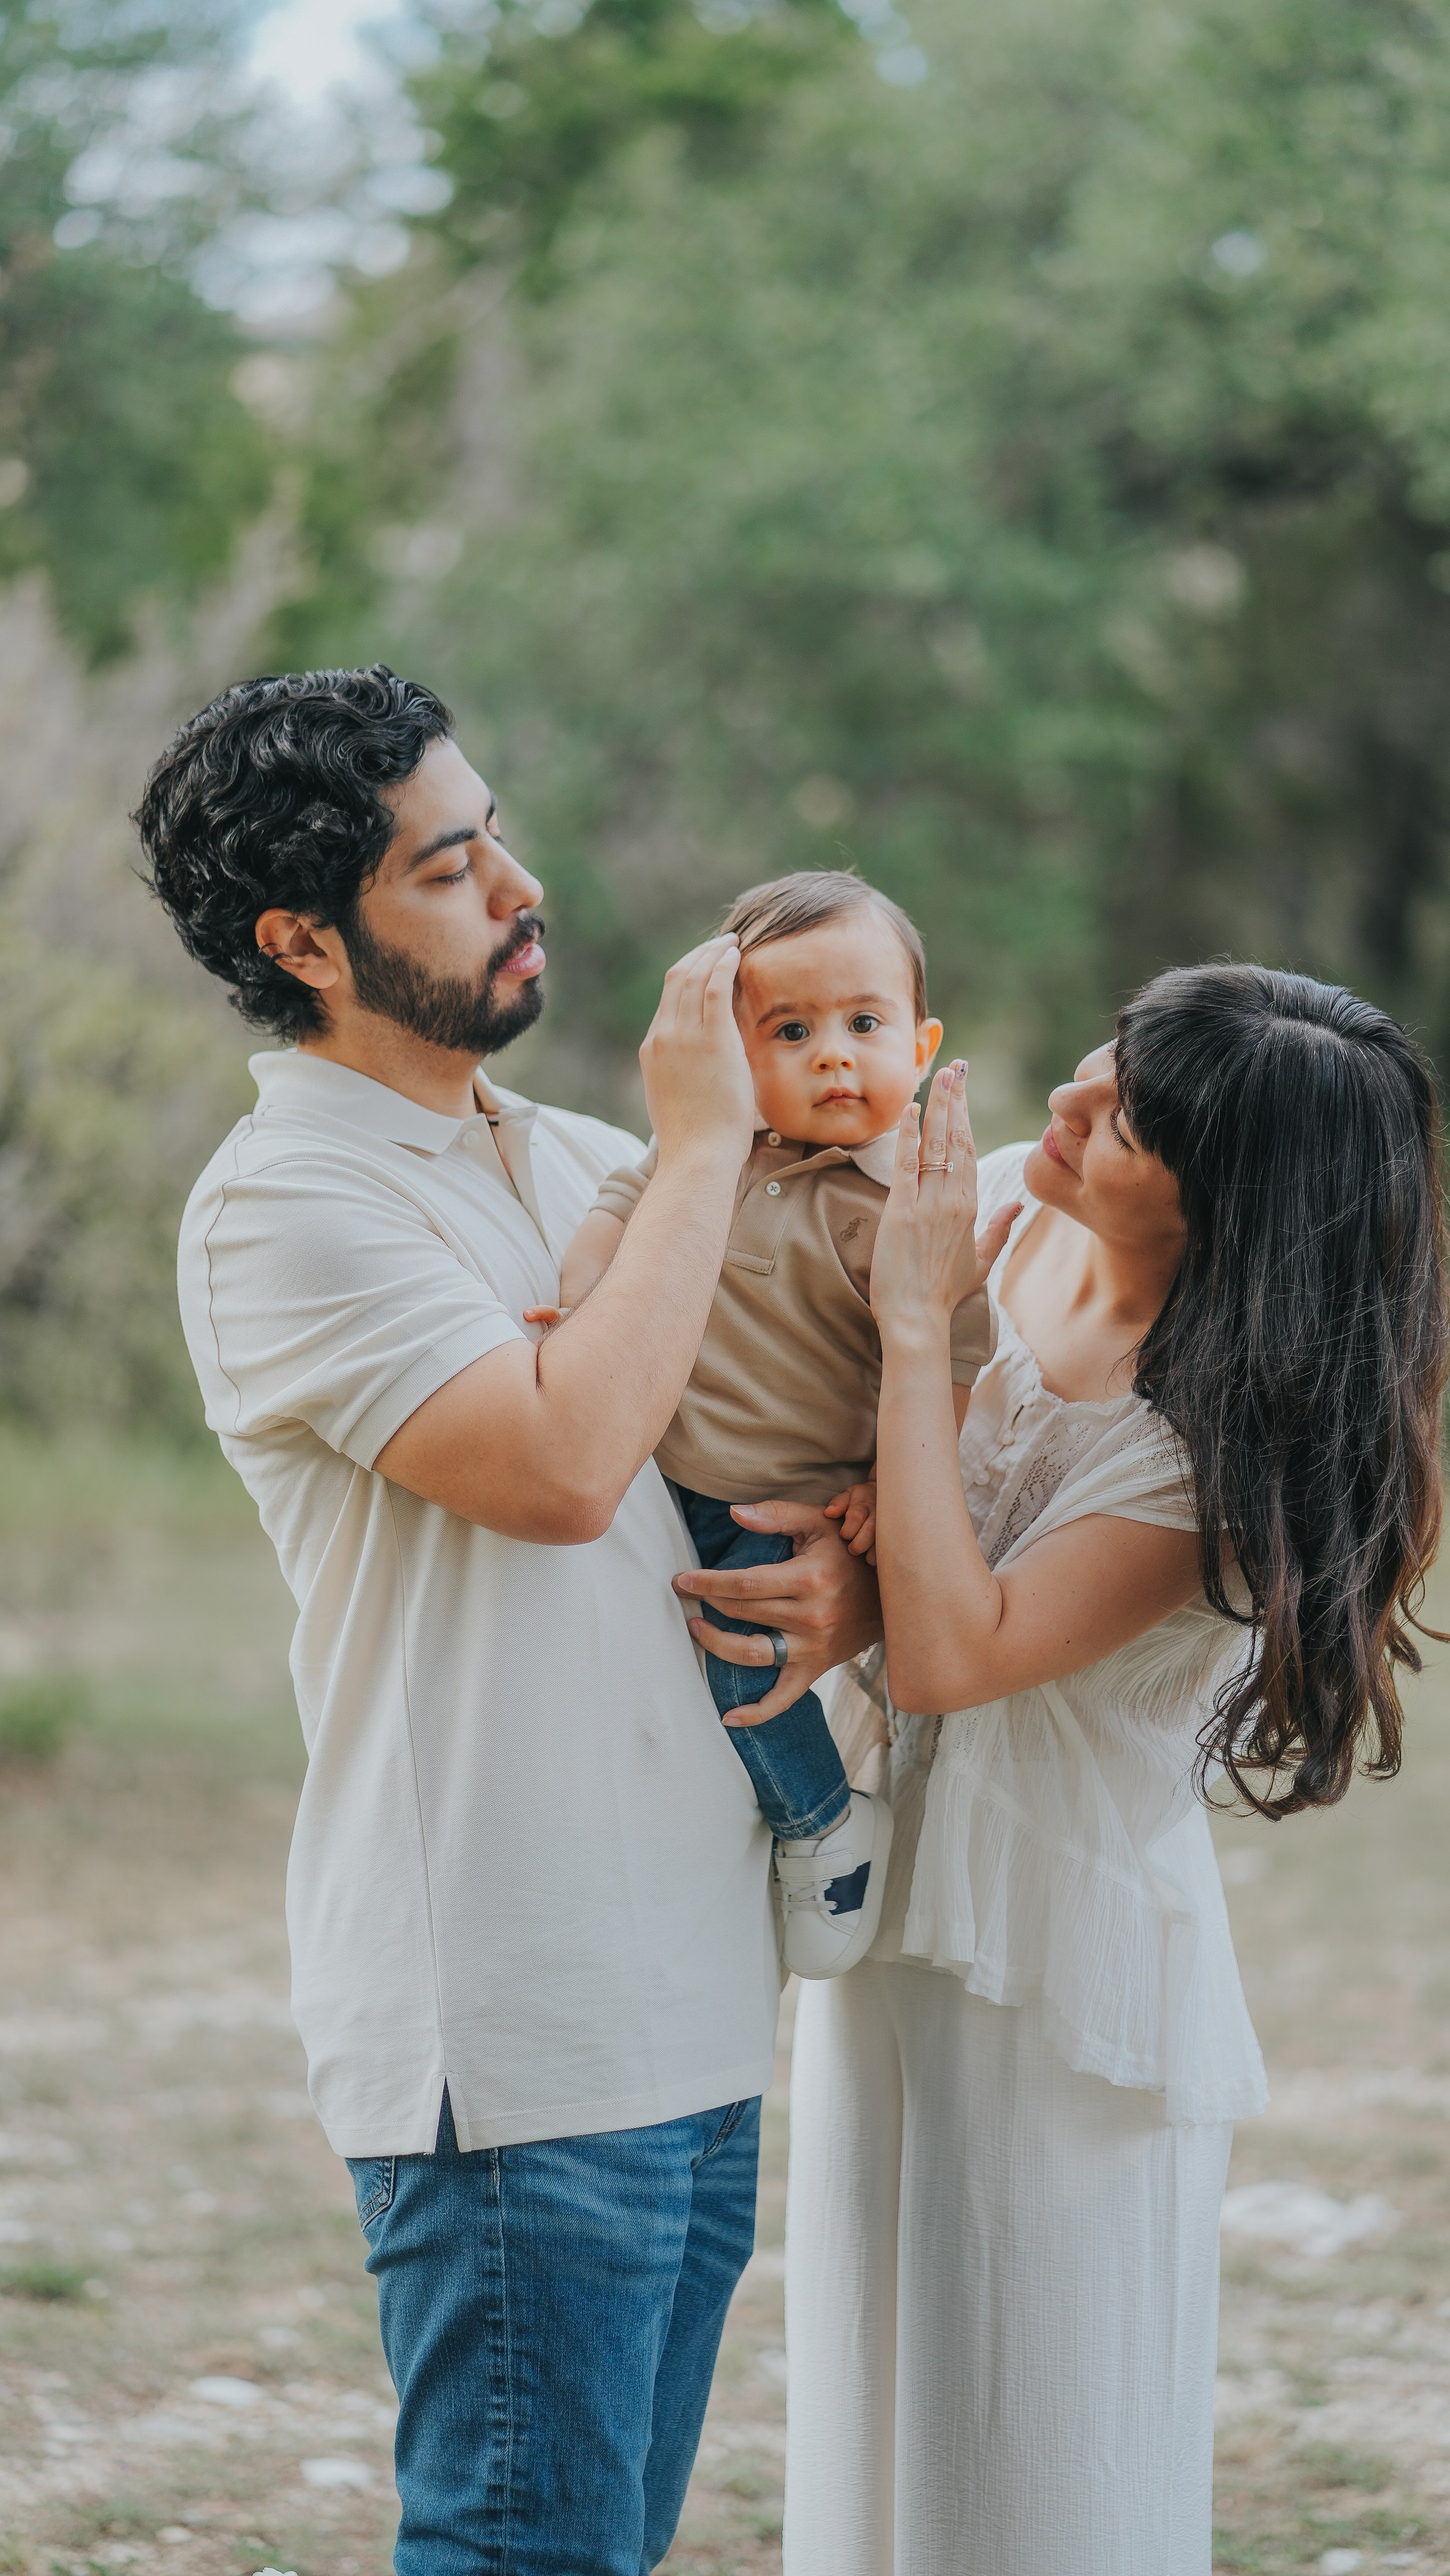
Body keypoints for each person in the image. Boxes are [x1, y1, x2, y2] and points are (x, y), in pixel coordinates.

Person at [134, 664, 879, 2576]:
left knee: (601, 2549)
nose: (521, 885)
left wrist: (846, 1577)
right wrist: (709, 1146)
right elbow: (559, 1470)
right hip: (512, 2027)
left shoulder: (568, 1165)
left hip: (696, 1998)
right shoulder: (282, 1204)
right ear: (305, 940)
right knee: (522, 2552)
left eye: (496, 837)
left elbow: (748, 1434)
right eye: (453, 868)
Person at [683, 965, 1446, 2576]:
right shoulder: (1027, 1222)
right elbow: (881, 1513)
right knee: (876, 2413)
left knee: (1029, 2461)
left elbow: (964, 1646)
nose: (1066, 1111)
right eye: (1093, 1071)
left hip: (1057, 1976)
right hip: (893, 1923)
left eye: (1122, 1120)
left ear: (1233, 1202)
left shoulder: (1225, 1443)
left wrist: (907, 1325)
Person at [550, 869, 999, 1978]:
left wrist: (896, 1487)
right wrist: (582, 1300)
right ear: (732, 1058)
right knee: (636, 1658)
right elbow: (615, 1211)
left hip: (785, 1501)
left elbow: (953, 1357)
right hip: (657, 1470)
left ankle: (824, 1827)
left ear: (922, 1041)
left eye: (863, 1024)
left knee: (747, 1663)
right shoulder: (712, 1154)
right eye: (789, 1031)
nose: (833, 1055)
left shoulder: (909, 1206)